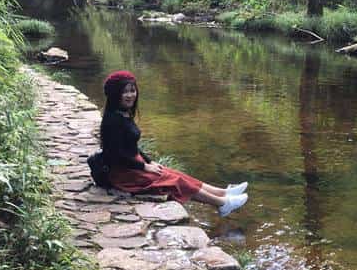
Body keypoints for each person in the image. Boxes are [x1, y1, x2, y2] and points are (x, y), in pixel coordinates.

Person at [100, 70, 248, 217]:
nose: (130, 95)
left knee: (174, 173)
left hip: (132, 165)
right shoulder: (112, 121)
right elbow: (115, 155)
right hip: (123, 174)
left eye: (132, 90)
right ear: (115, 94)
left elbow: (132, 146)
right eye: (125, 92)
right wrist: (144, 166)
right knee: (174, 180)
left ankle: (222, 193)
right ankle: (223, 204)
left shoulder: (124, 113)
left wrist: (149, 161)